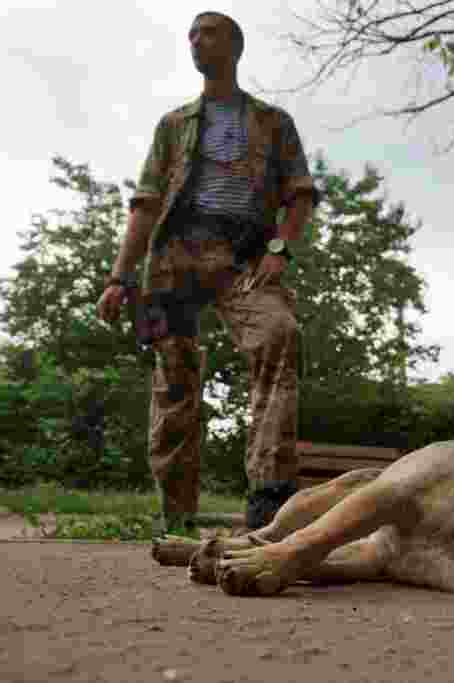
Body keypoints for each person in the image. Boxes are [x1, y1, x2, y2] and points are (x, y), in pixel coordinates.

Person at [96, 11, 319, 533]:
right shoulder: (173, 125)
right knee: (174, 381)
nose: (197, 41)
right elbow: (146, 204)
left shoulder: (273, 122)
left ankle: (268, 500)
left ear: (236, 47)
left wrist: (280, 250)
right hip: (173, 264)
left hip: (243, 260)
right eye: (192, 34)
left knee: (280, 334)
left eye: (209, 32)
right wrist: (118, 279)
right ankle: (177, 520)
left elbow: (300, 196)